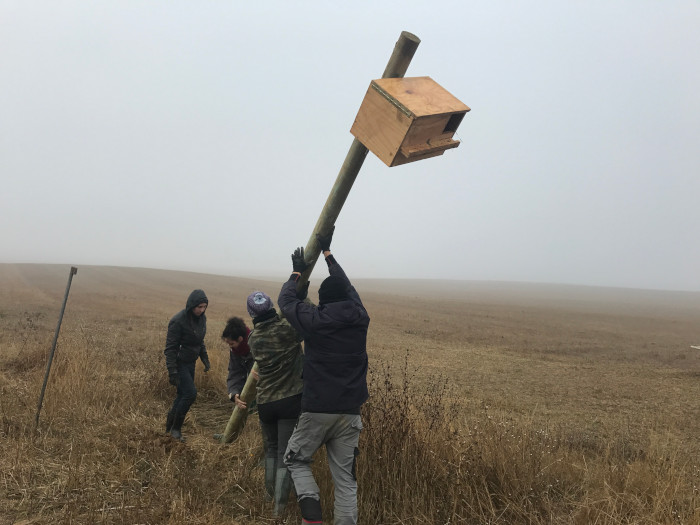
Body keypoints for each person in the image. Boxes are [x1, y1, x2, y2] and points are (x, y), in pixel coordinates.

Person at [277, 228, 370, 525]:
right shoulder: (360, 317)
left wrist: (296, 273)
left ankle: (312, 514)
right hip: (350, 413)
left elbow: (287, 302)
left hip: (317, 409)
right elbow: (349, 287)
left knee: (295, 459)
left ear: (324, 302)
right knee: (345, 481)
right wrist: (328, 254)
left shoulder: (315, 321)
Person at [246, 290, 305, 516]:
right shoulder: (287, 330)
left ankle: (267, 497)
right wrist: (299, 293)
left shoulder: (253, 338)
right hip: (289, 401)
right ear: (271, 306)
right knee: (284, 453)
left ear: (251, 313)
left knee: (270, 450)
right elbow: (302, 326)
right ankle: (279, 510)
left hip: (265, 403)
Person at [164, 289, 211, 442]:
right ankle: (176, 429)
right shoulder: (178, 321)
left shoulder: (201, 319)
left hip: (190, 362)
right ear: (192, 305)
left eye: (204, 307)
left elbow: (199, 340)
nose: (202, 310)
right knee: (190, 394)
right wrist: (172, 372)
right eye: (199, 307)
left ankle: (169, 428)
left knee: (182, 395)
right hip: (179, 363)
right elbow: (170, 349)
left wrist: (204, 358)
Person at [220, 316, 256, 409]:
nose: (230, 347)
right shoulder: (235, 351)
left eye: (231, 343)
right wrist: (234, 393)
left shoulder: (257, 345)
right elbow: (235, 372)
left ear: (240, 339)